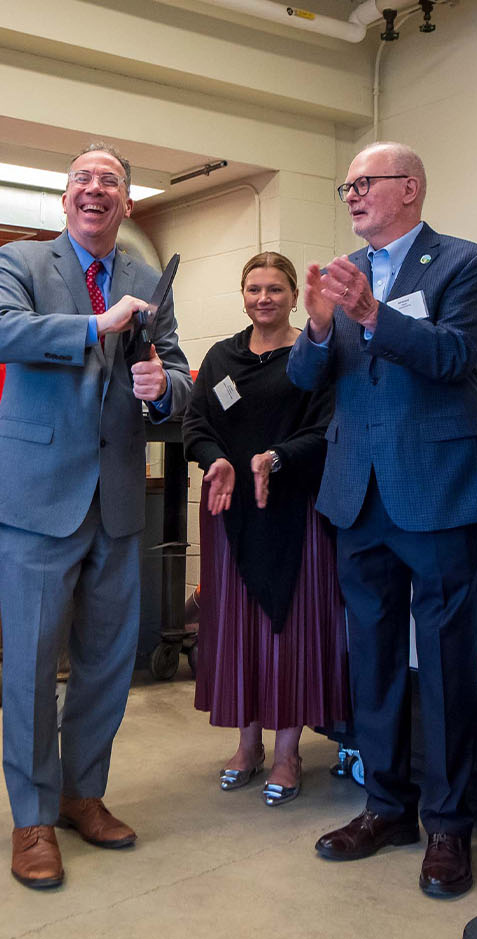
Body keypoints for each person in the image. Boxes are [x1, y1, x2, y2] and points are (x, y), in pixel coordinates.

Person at [288, 141, 477, 899]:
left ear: (408, 188)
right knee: (371, 659)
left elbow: (455, 357)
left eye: (364, 183)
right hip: (357, 491)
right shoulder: (340, 275)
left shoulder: (465, 263)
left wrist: (371, 312)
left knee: (444, 661)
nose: (351, 195)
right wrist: (316, 329)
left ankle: (447, 823)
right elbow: (307, 381)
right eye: (345, 184)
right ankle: (386, 806)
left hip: (437, 487)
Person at [0, 143, 192, 890]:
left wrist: (163, 384)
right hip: (38, 496)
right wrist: (99, 325)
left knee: (108, 661)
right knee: (33, 666)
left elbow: (180, 376)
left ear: (127, 204)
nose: (95, 189)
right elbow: (0, 334)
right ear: (65, 199)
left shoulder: (144, 276)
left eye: (110, 181)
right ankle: (32, 817)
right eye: (83, 179)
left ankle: (81, 794)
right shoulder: (23, 263)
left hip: (120, 495)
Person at [182, 250, 346, 808]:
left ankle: (288, 752)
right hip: (231, 510)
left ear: (294, 293)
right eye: (254, 288)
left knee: (290, 630)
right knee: (237, 627)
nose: (263, 298)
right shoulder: (222, 357)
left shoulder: (314, 355)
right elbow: (196, 421)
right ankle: (247, 744)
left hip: (294, 509)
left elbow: (328, 427)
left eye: (275, 288)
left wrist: (277, 457)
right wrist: (214, 458)